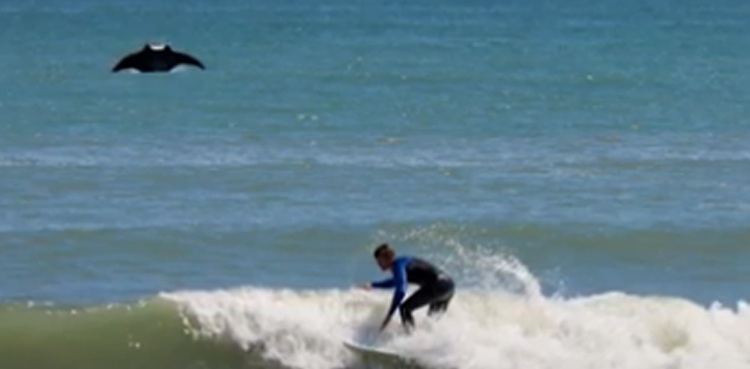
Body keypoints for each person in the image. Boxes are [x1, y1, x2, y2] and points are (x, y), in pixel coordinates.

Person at [358, 243, 455, 332]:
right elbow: (396, 282)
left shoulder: (397, 264)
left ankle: (412, 339)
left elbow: (400, 290)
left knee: (405, 309)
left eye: (379, 261)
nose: (378, 264)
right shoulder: (404, 262)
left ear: (387, 258)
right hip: (449, 287)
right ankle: (430, 346)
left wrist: (389, 315)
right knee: (431, 320)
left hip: (438, 285)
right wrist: (373, 285)